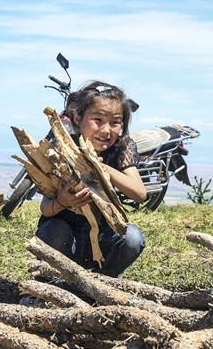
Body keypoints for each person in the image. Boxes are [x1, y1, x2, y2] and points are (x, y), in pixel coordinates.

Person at [37, 81, 148, 277]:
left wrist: (103, 169)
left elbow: (139, 193)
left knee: (132, 239)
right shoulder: (63, 149)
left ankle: (102, 281)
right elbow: (45, 208)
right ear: (78, 118)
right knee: (53, 230)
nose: (106, 130)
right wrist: (62, 201)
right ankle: (59, 279)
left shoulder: (121, 148)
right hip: (65, 236)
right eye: (98, 120)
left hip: (104, 238)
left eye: (115, 122)